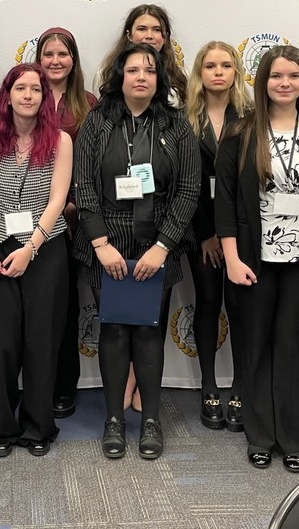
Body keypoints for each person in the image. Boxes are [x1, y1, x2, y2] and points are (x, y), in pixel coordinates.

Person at [73, 43, 200, 460]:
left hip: (156, 246)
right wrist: (100, 244)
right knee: (112, 332)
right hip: (105, 244)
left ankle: (150, 422)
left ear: (159, 78)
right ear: (120, 77)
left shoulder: (177, 126)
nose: (141, 77)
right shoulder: (97, 123)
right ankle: (113, 419)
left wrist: (163, 246)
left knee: (148, 333)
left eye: (149, 70)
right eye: (133, 70)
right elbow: (85, 186)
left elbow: (188, 190)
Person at [214, 45, 299, 473]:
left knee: (292, 345)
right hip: (252, 259)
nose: (285, 83)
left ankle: (295, 437)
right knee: (255, 346)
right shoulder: (240, 133)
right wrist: (230, 257)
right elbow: (225, 203)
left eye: (294, 76)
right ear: (262, 80)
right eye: (276, 76)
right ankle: (260, 435)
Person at [0, 63, 73, 457]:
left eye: (36, 89)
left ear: (44, 97)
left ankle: (37, 425)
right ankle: (3, 423)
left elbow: (57, 202)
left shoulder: (61, 141)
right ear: (8, 95)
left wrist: (31, 247)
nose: (29, 95)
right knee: (1, 341)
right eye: (21, 88)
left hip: (45, 250)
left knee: (40, 339)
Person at [183, 41, 252, 432]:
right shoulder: (183, 119)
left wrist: (233, 237)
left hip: (244, 233)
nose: (218, 72)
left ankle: (240, 387)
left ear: (236, 71)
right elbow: (182, 185)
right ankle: (209, 385)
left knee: (242, 309)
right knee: (208, 303)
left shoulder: (251, 117)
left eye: (226, 65)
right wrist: (207, 235)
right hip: (200, 232)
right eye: (210, 65)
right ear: (200, 72)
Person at [34, 27, 97, 419]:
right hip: (28, 220)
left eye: (63, 53)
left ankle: (63, 386)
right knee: (38, 309)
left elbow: (93, 163)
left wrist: (74, 206)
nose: (55, 60)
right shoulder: (26, 95)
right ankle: (36, 383)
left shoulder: (89, 103)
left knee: (69, 307)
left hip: (75, 221)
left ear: (73, 59)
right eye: (48, 53)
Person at [96, 4, 188, 106]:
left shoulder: (181, 75)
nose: (149, 36)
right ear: (129, 35)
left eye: (157, 30)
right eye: (142, 29)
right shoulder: (105, 74)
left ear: (165, 37)